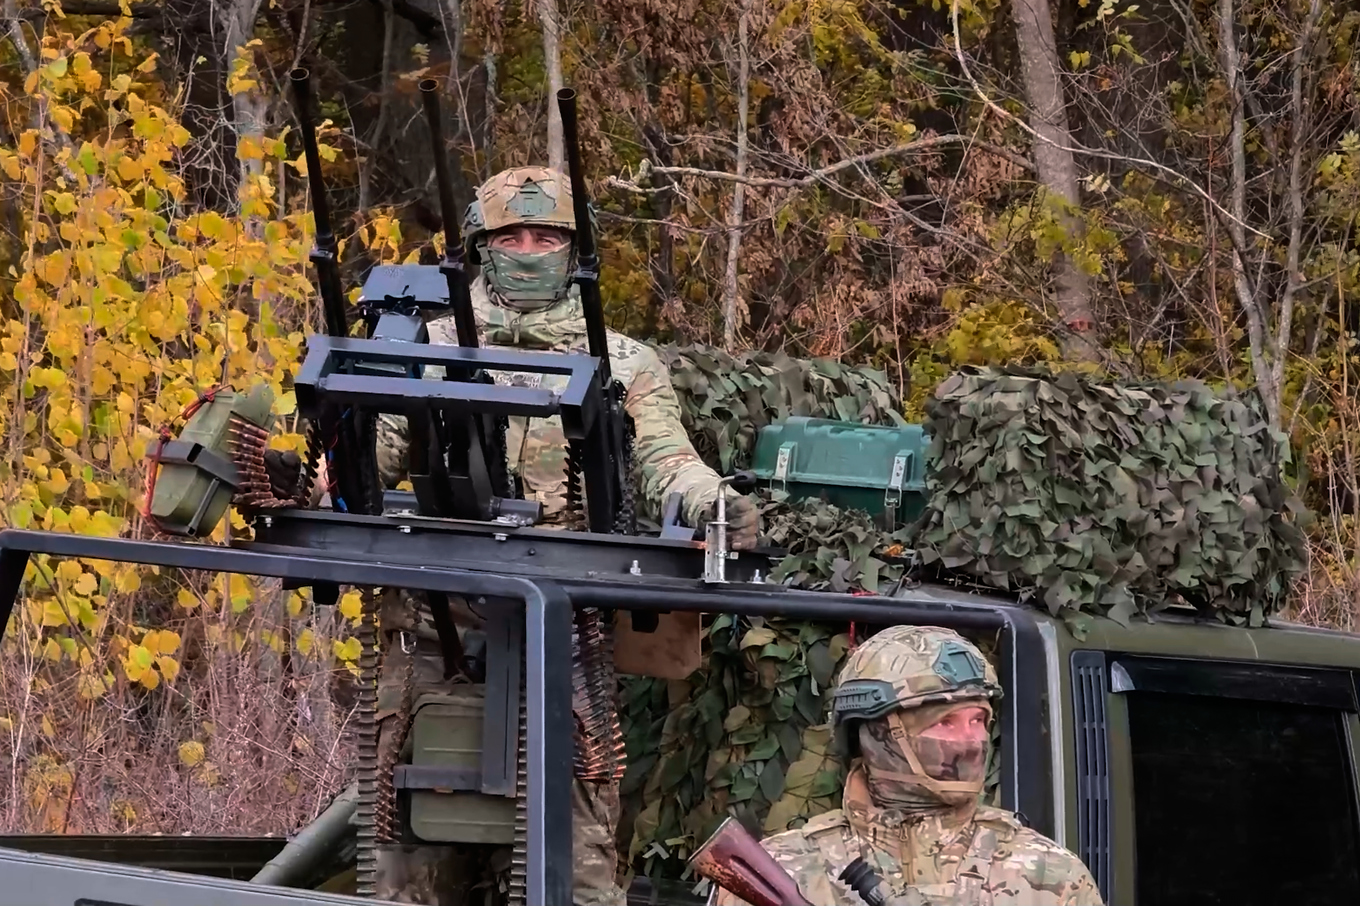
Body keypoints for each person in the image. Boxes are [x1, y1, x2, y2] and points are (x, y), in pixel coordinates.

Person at [365, 165, 759, 906]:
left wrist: (715, 504)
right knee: (410, 864)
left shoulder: (623, 361)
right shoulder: (426, 345)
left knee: (574, 865)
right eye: (510, 236)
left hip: (567, 636)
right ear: (480, 248)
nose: (527, 251)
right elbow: (367, 462)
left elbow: (667, 461)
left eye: (545, 237)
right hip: (435, 628)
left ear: (574, 249)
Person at [711, 625, 1103, 906]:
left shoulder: (1048, 874)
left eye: (978, 720)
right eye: (945, 723)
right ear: (876, 733)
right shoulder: (784, 869)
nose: (972, 741)